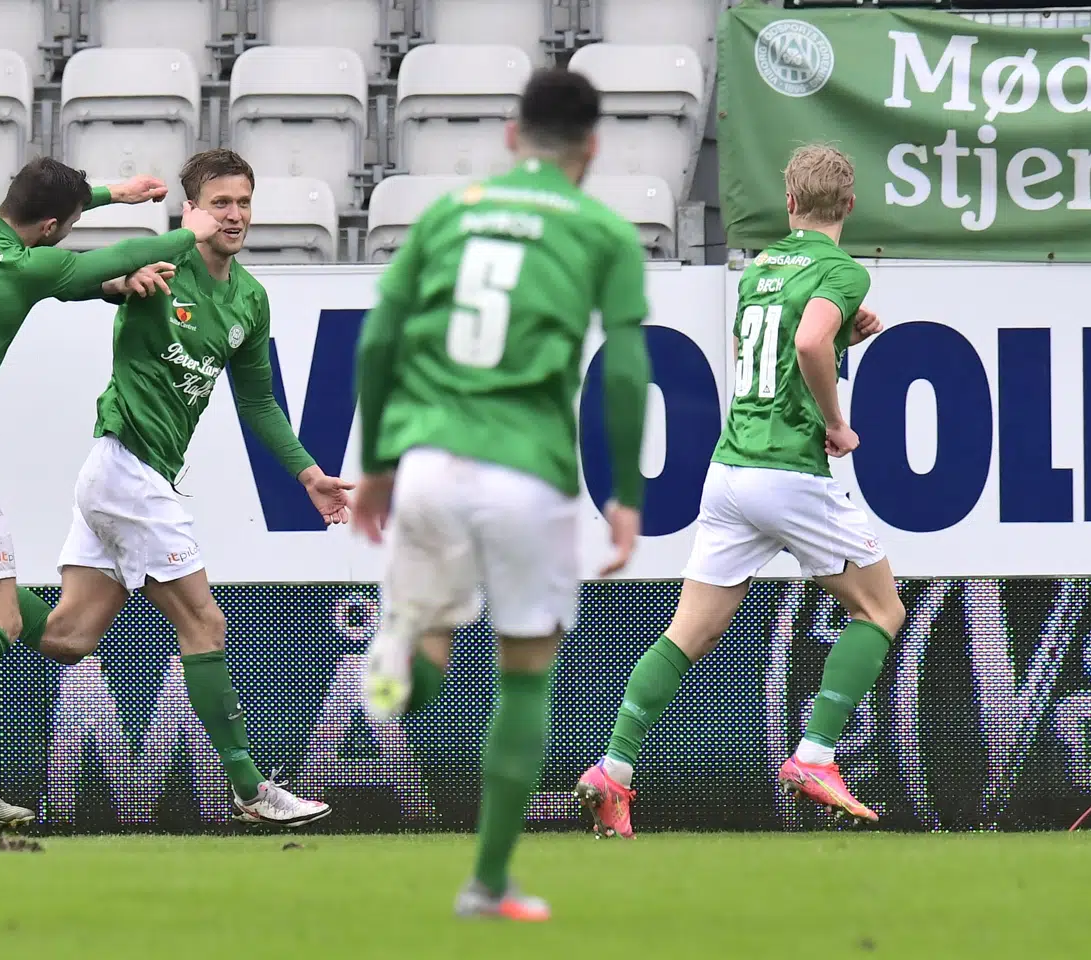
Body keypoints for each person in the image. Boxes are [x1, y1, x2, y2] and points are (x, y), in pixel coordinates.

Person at [352, 68, 651, 921]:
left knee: (431, 655)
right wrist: (624, 492)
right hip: (529, 474)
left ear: (514, 136)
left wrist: (376, 462)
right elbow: (626, 363)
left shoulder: (450, 211)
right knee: (524, 676)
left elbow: (378, 337)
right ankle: (486, 883)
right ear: (590, 151)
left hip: (429, 465)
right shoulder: (601, 230)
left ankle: (397, 657)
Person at [0, 157, 222, 827]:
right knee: (0, 619)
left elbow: (69, 267)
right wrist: (187, 231)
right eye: (72, 221)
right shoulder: (30, 268)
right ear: (53, 226)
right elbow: (112, 258)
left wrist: (116, 194)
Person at [574, 144, 906, 839]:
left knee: (688, 631)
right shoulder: (841, 269)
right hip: (788, 471)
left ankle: (614, 770)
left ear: (789, 204)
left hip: (730, 471)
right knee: (881, 611)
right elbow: (812, 343)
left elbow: (759, 346)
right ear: (848, 206)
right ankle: (815, 754)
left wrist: (845, 328)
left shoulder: (760, 268)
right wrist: (837, 424)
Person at [20, 149, 347, 827]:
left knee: (67, 637)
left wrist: (309, 473)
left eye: (243, 203)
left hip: (118, 474)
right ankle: (251, 789)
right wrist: (119, 284)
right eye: (219, 203)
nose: (234, 215)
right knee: (205, 622)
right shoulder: (159, 263)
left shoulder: (248, 299)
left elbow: (258, 402)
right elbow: (96, 282)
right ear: (190, 211)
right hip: (128, 470)